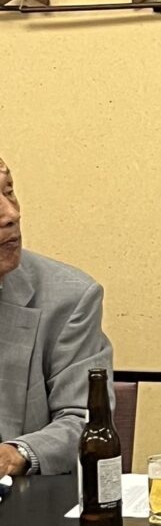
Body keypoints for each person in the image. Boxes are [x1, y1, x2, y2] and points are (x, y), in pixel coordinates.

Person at [0, 155, 113, 477]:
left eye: (9, 192)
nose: (11, 214)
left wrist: (17, 454)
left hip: (21, 499)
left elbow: (85, 420)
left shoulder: (68, 299)